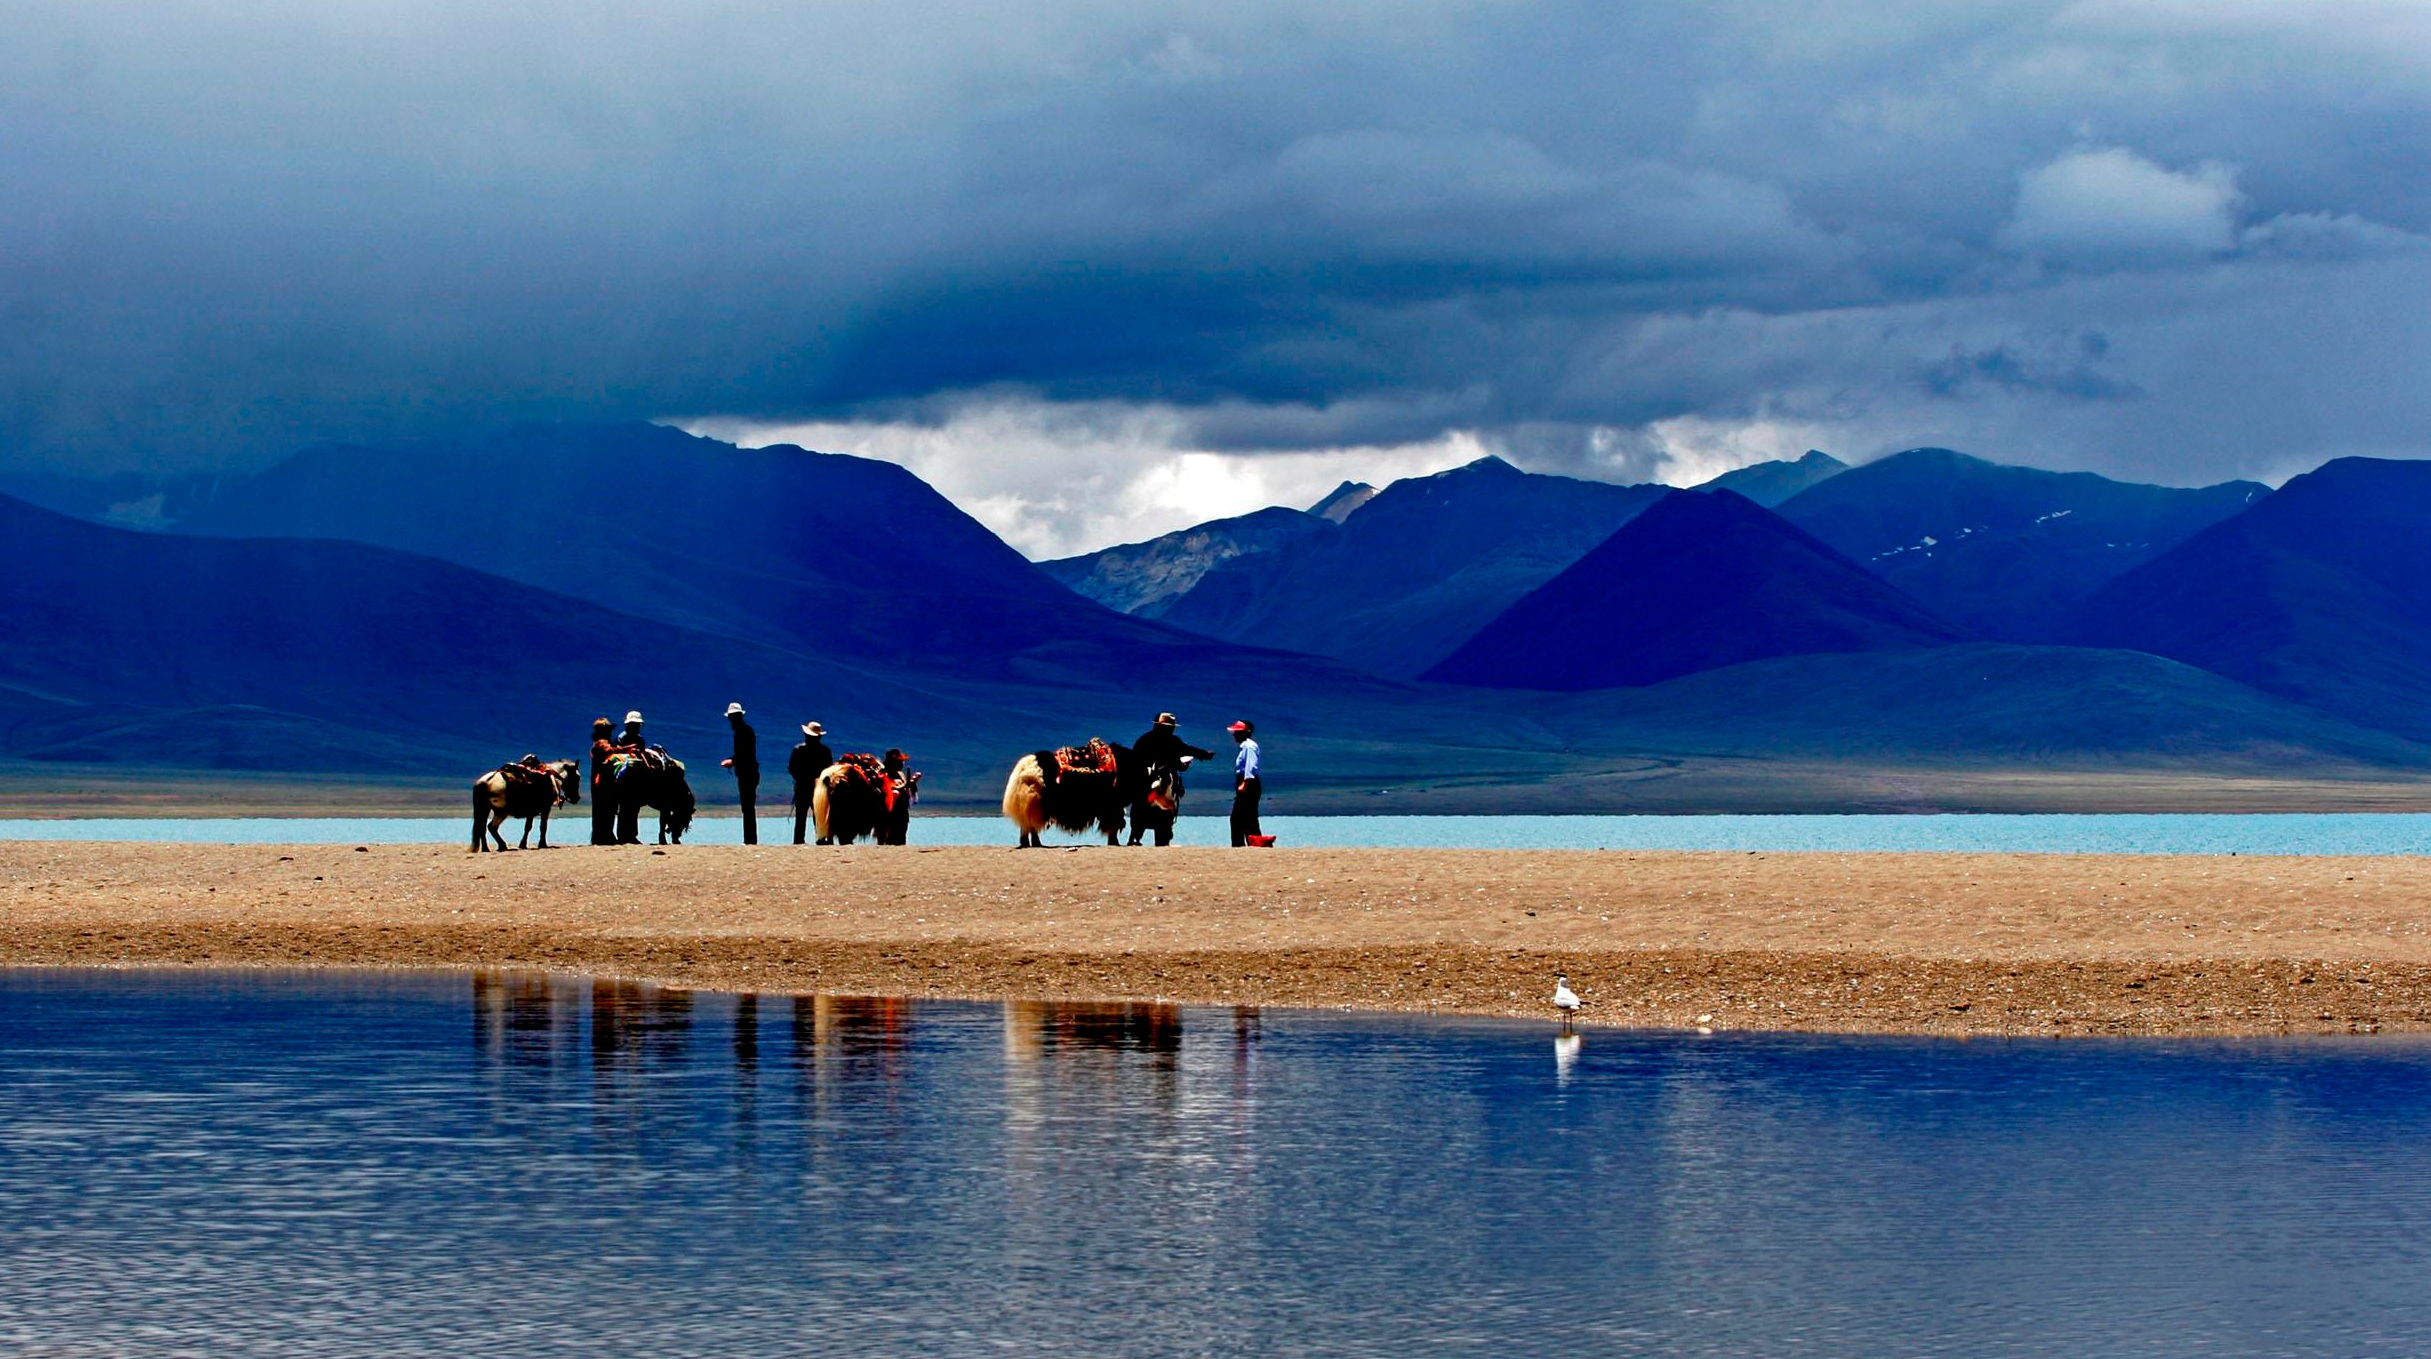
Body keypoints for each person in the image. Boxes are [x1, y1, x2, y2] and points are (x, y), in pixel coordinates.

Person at [1129, 712, 1212, 846]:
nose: (1172, 729)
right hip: (1164, 787)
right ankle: (1160, 841)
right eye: (1170, 727)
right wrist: (1204, 755)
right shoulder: (1172, 741)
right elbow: (1186, 751)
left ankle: (1135, 838)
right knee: (1163, 816)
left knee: (1140, 813)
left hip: (1143, 786)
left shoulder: (1143, 740)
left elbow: (1136, 762)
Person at [720, 701, 759, 845]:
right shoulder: (744, 731)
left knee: (747, 806)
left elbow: (745, 754)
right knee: (748, 806)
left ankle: (750, 840)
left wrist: (732, 761)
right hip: (749, 772)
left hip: (748, 773)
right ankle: (749, 839)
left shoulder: (743, 732)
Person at [790, 721, 834, 845]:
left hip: (802, 788)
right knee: (819, 815)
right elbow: (829, 771)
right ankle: (821, 839)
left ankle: (798, 841)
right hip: (819, 789)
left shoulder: (798, 750)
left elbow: (792, 768)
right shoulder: (825, 751)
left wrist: (801, 778)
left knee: (801, 818)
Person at [614, 710, 648, 845]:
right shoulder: (621, 738)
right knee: (624, 808)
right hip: (624, 779)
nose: (636, 727)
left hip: (637, 779)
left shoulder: (640, 739)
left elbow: (642, 754)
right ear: (628, 725)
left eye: (637, 725)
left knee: (634, 808)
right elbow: (617, 754)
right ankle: (622, 836)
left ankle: (632, 835)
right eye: (634, 724)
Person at [1229, 719, 1262, 847]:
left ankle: (1242, 845)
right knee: (1247, 816)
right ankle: (1251, 844)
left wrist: (1245, 783)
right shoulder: (1245, 747)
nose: (1235, 734)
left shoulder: (1249, 747)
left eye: (1238, 732)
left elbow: (1251, 767)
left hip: (1249, 783)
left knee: (1240, 817)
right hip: (1246, 782)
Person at [878, 748, 921, 845]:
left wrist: (912, 783)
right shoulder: (882, 775)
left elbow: (908, 789)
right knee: (889, 835)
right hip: (888, 811)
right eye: (899, 762)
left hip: (902, 810)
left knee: (901, 834)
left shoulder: (901, 774)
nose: (902, 764)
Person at [588, 717, 617, 846]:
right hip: (602, 781)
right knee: (606, 808)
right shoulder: (601, 742)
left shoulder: (599, 742)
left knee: (603, 809)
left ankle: (602, 836)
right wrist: (628, 748)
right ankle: (604, 836)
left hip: (600, 781)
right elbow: (609, 751)